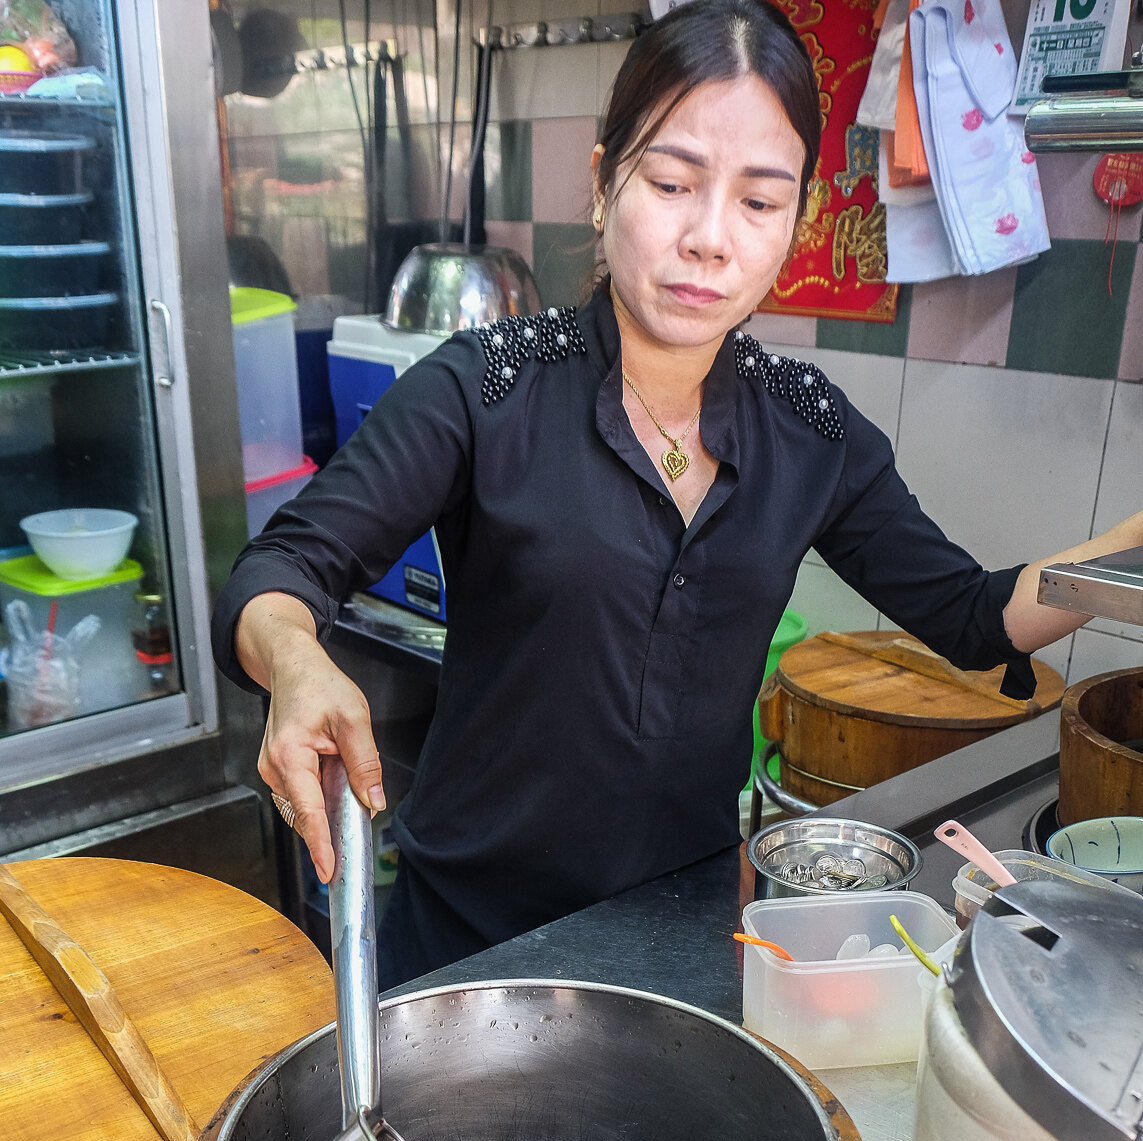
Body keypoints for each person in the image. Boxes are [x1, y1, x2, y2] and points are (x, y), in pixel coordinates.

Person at [211, 0, 1141, 988]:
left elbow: (971, 616)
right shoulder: (488, 387)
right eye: (671, 181)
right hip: (468, 939)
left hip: (684, 935)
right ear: (607, 183)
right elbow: (282, 567)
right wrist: (296, 660)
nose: (710, 238)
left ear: (796, 219)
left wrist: (1128, 548)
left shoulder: (808, 425)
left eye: (759, 199)